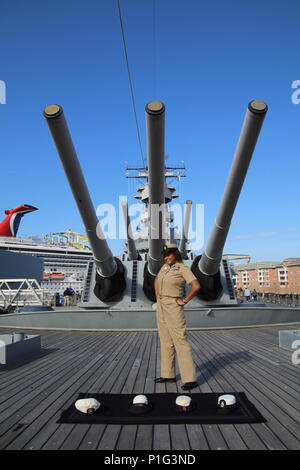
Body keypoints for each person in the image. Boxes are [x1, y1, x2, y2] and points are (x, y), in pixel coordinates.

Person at [154, 244, 201, 391]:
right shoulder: (165, 268)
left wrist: (185, 300)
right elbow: (156, 281)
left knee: (180, 340)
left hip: (173, 305)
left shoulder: (182, 268)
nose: (166, 257)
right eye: (164, 255)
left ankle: (190, 379)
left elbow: (196, 286)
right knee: (165, 340)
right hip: (161, 305)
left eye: (169, 254)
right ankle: (168, 374)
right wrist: (158, 298)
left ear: (176, 254)